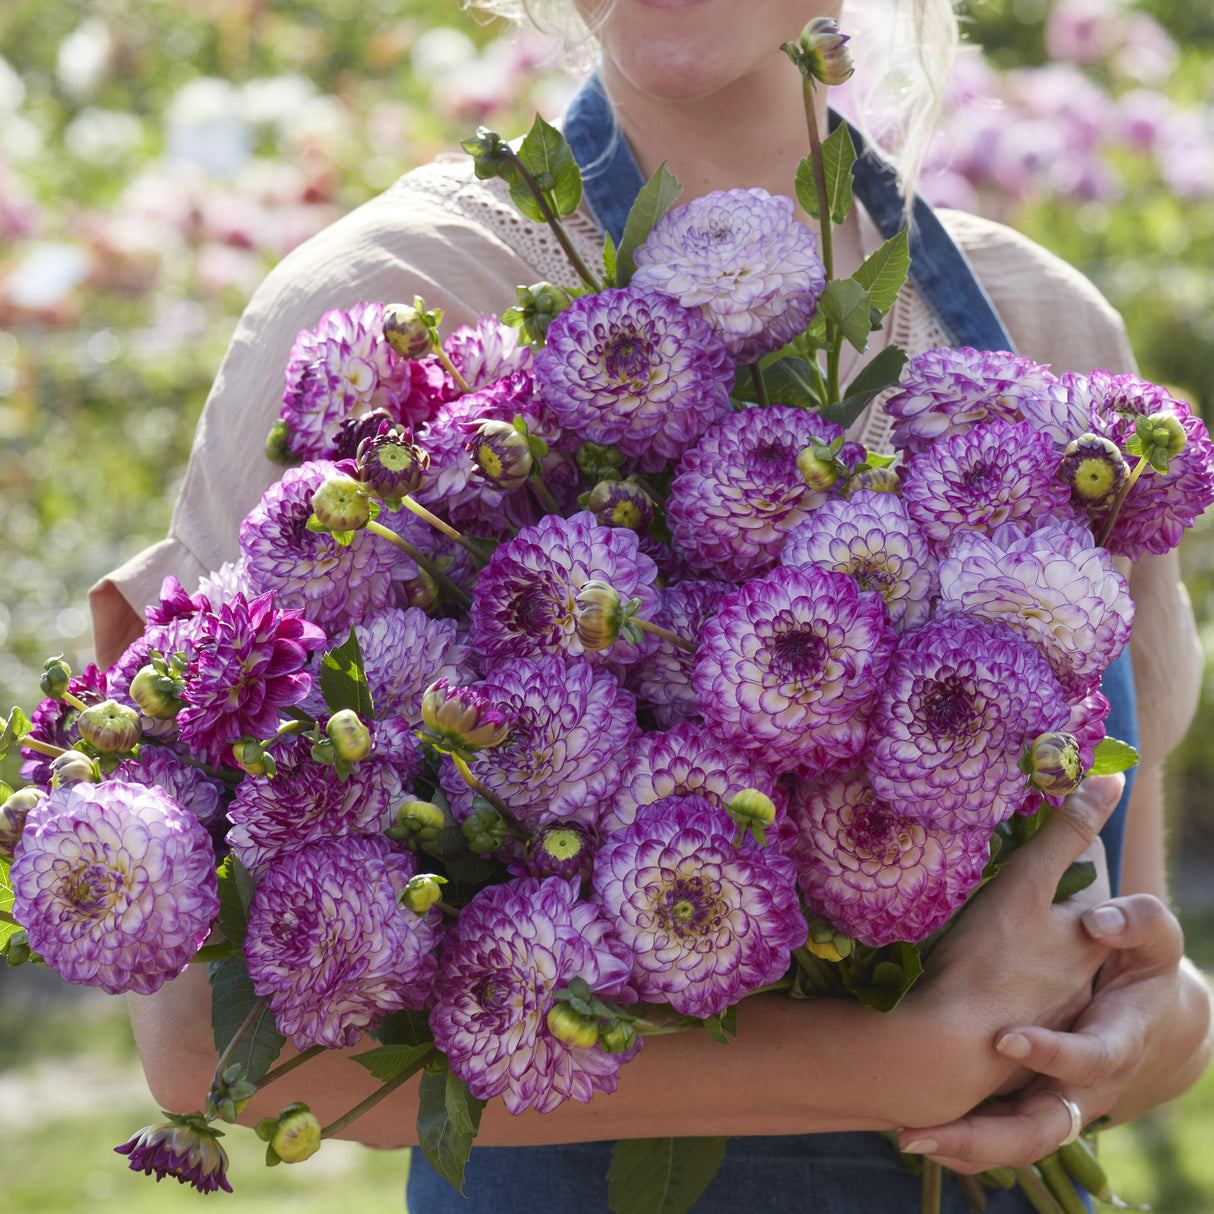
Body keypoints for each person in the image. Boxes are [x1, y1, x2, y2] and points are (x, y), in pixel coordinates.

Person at [89, 1, 1212, 1210]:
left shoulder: (1046, 336)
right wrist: (893, 1065)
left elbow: (1121, 938)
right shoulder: (399, 307)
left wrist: (1156, 1021)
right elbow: (204, 1043)